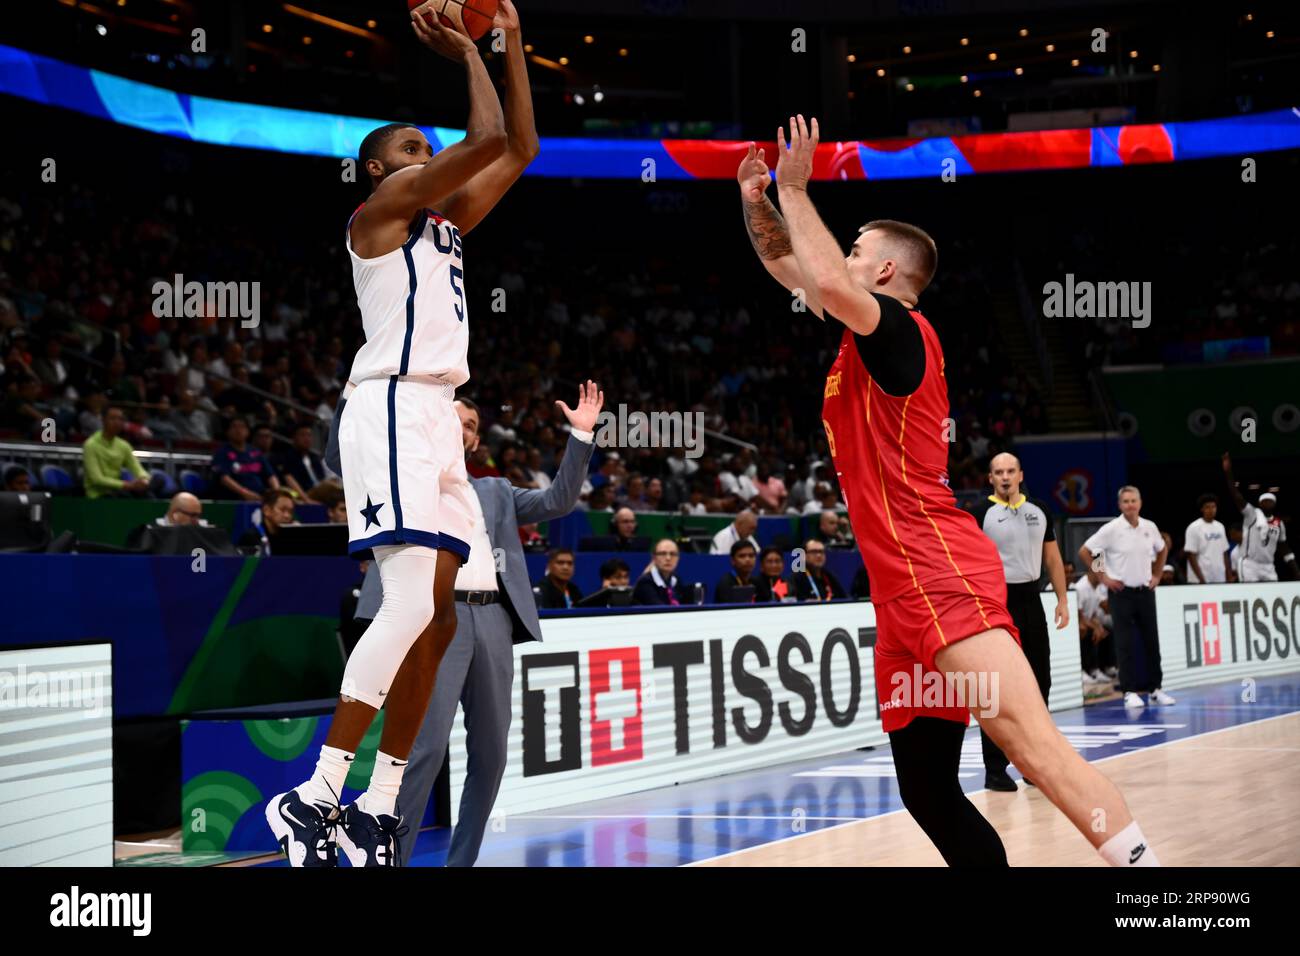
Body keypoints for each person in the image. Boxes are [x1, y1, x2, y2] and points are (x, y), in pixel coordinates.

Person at [739, 117, 1158, 867]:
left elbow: (826, 274)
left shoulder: (899, 328)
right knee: (926, 787)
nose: (840, 259)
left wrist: (798, 188)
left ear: (887, 275)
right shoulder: (856, 326)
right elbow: (789, 264)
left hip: (938, 567)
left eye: (857, 250)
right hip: (899, 592)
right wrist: (756, 196)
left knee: (1035, 751)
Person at [266, 3, 534, 869]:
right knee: (412, 602)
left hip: (437, 420)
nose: (427, 155)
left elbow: (519, 148)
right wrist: (467, 48)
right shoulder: (380, 211)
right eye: (413, 147)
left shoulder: (446, 228)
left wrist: (511, 41)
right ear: (378, 168)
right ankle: (313, 794)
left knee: (440, 625)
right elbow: (487, 136)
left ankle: (379, 807)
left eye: (428, 146)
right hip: (386, 407)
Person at [337, 381, 597, 866]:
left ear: (476, 441)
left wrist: (579, 438)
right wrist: (353, 397)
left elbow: (557, 502)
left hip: (493, 618)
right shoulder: (401, 481)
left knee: (491, 755)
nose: (464, 430)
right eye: (455, 420)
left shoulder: (494, 490)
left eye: (472, 426)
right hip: (430, 620)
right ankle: (391, 858)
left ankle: (462, 863)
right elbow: (339, 458)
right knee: (422, 751)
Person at [968, 452, 1070, 792]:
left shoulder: (1039, 509)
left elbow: (1053, 558)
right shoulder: (980, 513)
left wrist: (1063, 600)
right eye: (999, 472)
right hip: (995, 602)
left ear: (1021, 474)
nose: (1005, 476)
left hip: (1031, 600)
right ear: (991, 479)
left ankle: (1032, 764)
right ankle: (995, 768)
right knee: (995, 687)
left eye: (1011, 471)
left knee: (1039, 682)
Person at [1078, 486, 1174, 710]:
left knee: (1152, 640)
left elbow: (1162, 549)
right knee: (1124, 643)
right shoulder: (1112, 529)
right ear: (1120, 505)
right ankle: (1129, 691)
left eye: (1133, 501)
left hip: (1145, 591)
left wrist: (1157, 575)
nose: (1130, 505)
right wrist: (1103, 577)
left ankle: (1155, 689)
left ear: (1140, 503)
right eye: (1126, 501)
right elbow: (1087, 550)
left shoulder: (1150, 527)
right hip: (1121, 593)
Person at [1222, 453, 1297, 582]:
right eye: (1265, 501)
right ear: (1260, 503)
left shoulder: (1279, 523)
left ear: (1275, 504)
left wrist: (1296, 570)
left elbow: (1284, 548)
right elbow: (1236, 496)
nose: (1268, 502)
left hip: (1268, 567)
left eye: (1270, 500)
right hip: (1250, 565)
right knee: (1250, 596)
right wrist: (1229, 473)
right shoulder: (1252, 514)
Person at [82, 406, 151, 499]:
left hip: (117, 491)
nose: (117, 422)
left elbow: (137, 468)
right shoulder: (90, 444)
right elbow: (96, 479)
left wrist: (144, 479)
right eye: (113, 418)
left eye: (120, 419)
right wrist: (127, 485)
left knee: (148, 496)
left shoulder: (123, 445)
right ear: (103, 420)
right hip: (97, 495)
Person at [211, 417, 279, 502]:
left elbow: (271, 475)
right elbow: (224, 478)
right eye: (234, 427)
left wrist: (277, 492)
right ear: (227, 432)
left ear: (248, 431)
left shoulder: (256, 452)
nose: (238, 430)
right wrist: (245, 493)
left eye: (242, 427)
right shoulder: (222, 452)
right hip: (234, 500)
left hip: (259, 496)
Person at [1184, 493, 1232, 584]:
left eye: (1213, 507)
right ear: (1202, 509)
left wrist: (1228, 575)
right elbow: (1191, 555)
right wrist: (1201, 579)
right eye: (1207, 507)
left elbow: (1224, 552)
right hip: (1200, 578)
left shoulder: (1220, 526)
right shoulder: (1194, 527)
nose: (1211, 510)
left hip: (1219, 576)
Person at [277, 423, 329, 503]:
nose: (307, 438)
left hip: (318, 492)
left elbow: (322, 480)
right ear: (294, 438)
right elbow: (289, 479)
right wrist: (306, 500)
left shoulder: (314, 457)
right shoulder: (287, 457)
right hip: (300, 493)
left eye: (309, 435)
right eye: (302, 435)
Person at [632, 538, 692, 605]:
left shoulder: (676, 579)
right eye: (663, 553)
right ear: (654, 557)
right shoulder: (645, 582)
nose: (668, 558)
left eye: (672, 554)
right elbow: (660, 611)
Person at [240, 487, 296, 555]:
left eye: (290, 511)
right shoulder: (251, 538)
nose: (287, 516)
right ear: (266, 510)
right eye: (282, 509)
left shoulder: (290, 539)